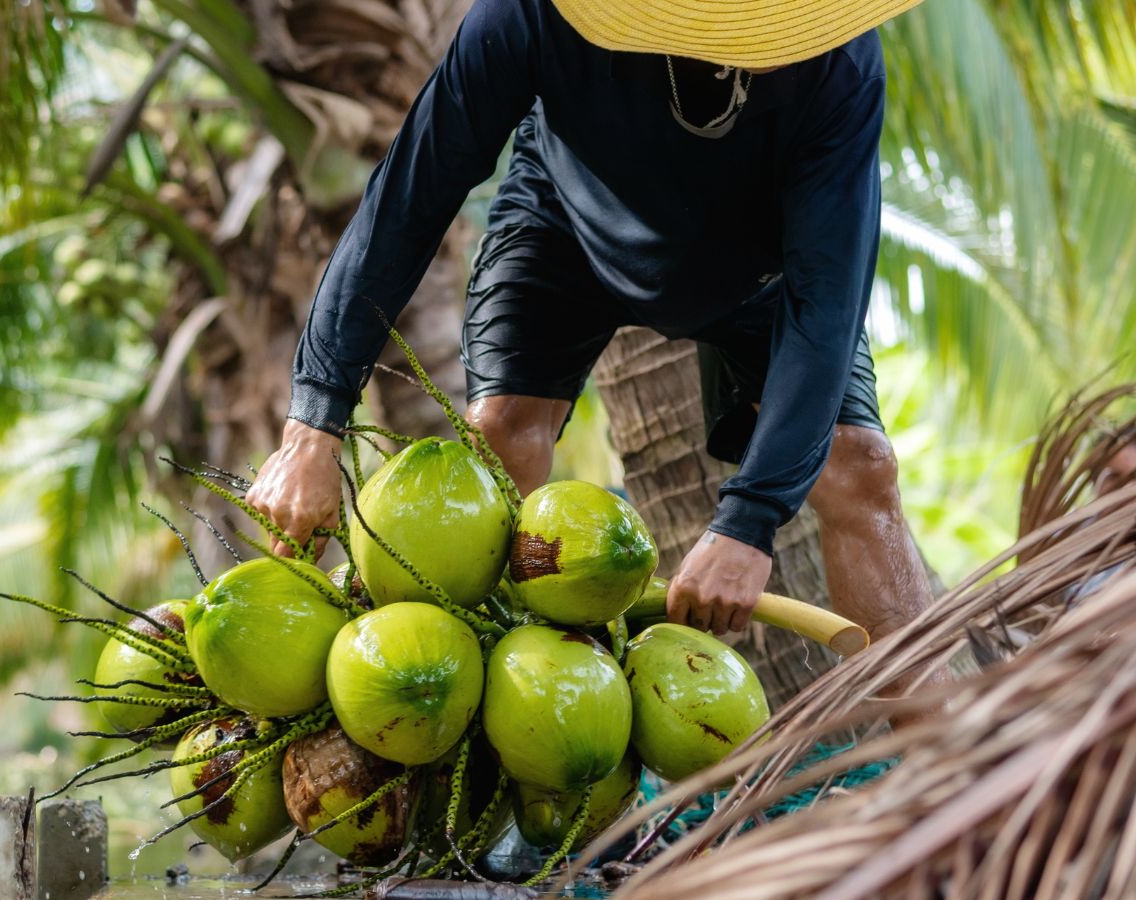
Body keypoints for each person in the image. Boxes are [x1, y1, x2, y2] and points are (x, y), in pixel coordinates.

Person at [247, 0, 934, 647]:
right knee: (499, 442)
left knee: (860, 471)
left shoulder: (839, 60)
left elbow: (827, 299)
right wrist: (313, 426)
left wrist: (749, 522)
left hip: (764, 267)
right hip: (565, 230)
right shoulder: (530, 14)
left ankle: (936, 760)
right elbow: (409, 200)